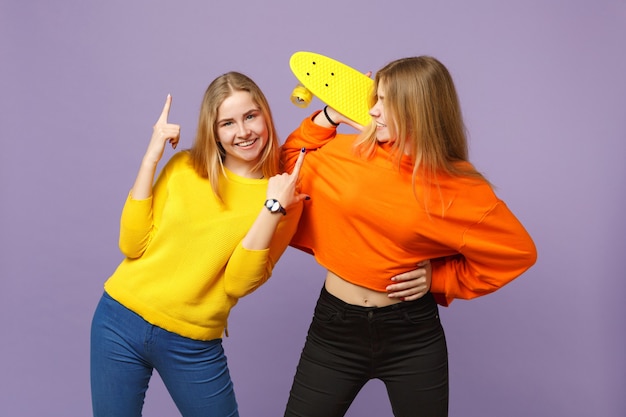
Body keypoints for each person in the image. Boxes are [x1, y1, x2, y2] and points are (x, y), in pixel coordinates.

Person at [280, 56, 537, 417]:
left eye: (387, 103)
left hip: (412, 335)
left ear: (420, 112)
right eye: (376, 98)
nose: (372, 112)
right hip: (334, 330)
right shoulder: (350, 152)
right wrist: (329, 116)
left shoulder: (458, 186)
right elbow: (290, 162)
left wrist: (441, 278)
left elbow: (517, 251)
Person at [90, 72, 308, 417]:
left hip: (191, 342)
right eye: (228, 123)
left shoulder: (284, 199)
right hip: (118, 319)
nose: (243, 132)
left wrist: (272, 208)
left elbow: (237, 283)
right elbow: (132, 245)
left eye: (251, 116)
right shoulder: (183, 167)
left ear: (265, 115)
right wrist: (151, 156)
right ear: (214, 131)